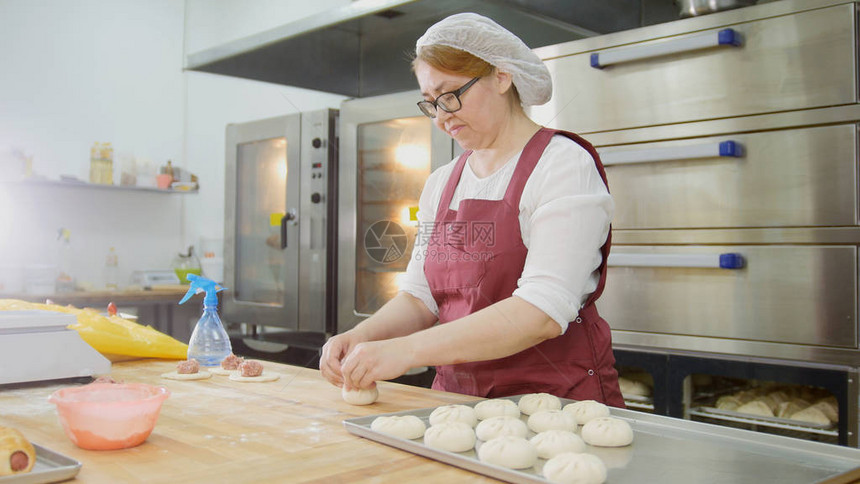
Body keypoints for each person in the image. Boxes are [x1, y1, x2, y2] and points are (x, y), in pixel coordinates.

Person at [320, 12, 623, 406]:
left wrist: (406, 351)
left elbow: (541, 313)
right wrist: (364, 335)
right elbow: (420, 297)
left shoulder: (562, 165)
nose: (442, 118)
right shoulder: (442, 183)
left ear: (501, 76)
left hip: (556, 405)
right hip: (459, 404)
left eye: (450, 95)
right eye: (430, 104)